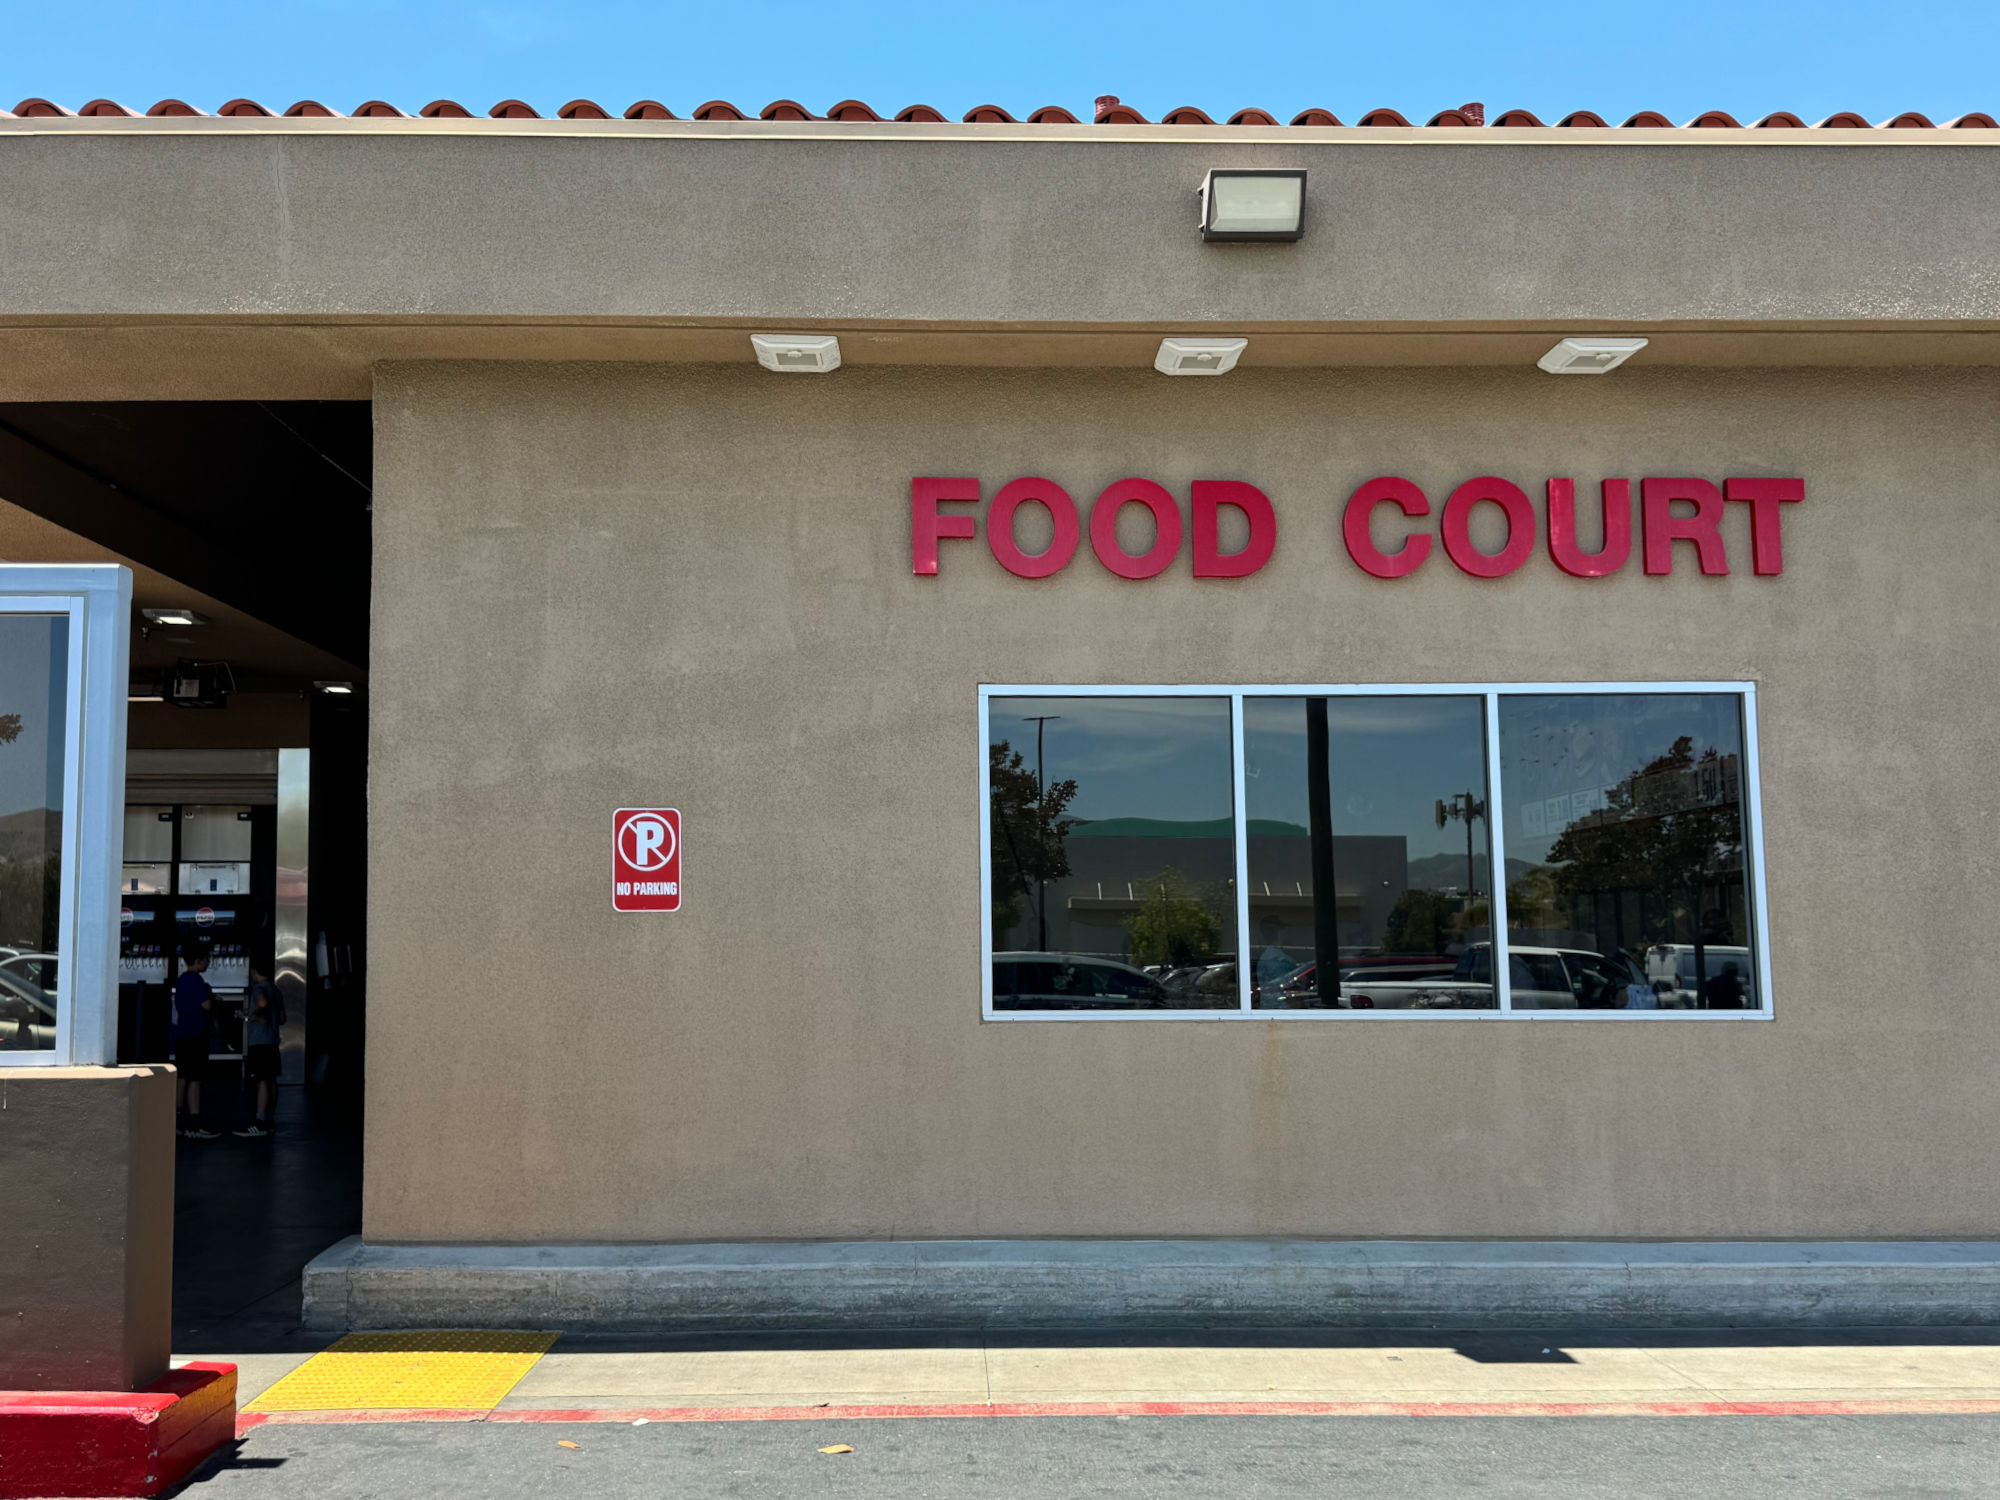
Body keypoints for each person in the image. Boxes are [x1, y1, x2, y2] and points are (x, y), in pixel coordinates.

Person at [172, 944, 218, 1139]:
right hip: (196, 1034)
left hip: (182, 1034)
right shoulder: (197, 980)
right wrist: (215, 999)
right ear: (198, 960)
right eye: (207, 959)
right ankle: (195, 1123)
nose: (208, 962)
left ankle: (176, 1120)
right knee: (195, 1078)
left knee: (182, 1076)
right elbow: (206, 1005)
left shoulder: (181, 980)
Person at [235, 964, 285, 1139]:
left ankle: (260, 1121)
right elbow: (282, 1018)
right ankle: (270, 1119)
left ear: (255, 972)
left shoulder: (259, 988)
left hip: (259, 1042)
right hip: (272, 1040)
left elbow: (262, 1003)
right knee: (271, 1080)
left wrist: (253, 1014)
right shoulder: (275, 990)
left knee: (261, 1081)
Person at [1253, 915, 1295, 1007]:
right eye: (1284, 929)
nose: (1287, 932)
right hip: (1280, 1009)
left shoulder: (1269, 956)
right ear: (1279, 932)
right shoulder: (1277, 959)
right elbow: (1286, 988)